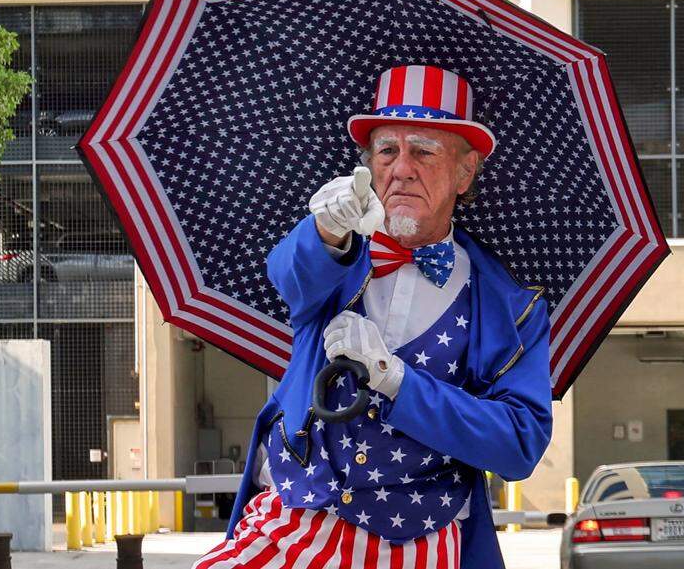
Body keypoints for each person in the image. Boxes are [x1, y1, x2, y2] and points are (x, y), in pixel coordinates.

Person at [193, 65, 553, 569]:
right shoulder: (336, 256)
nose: (400, 168)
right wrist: (325, 229)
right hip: (298, 519)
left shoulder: (512, 307)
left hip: (417, 542)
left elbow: (519, 442)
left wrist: (397, 380)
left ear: (465, 171)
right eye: (386, 150)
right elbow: (288, 276)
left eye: (423, 150)